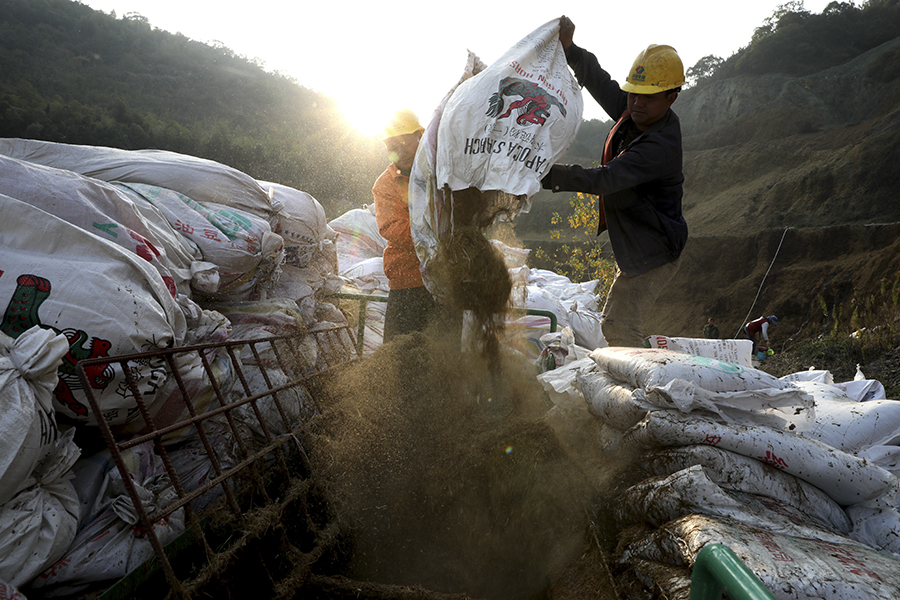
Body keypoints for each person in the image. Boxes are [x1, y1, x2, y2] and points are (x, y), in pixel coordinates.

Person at [542, 16, 688, 348]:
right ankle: (642, 370)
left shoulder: (660, 145)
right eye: (633, 93)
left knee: (619, 327)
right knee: (617, 326)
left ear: (671, 97)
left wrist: (545, 173)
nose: (637, 102)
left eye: (648, 97)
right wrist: (570, 50)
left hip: (654, 252)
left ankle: (646, 378)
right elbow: (601, 82)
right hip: (640, 244)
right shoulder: (637, 112)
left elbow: (606, 179)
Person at [373, 109, 436, 342]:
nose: (398, 151)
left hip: (446, 281)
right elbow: (394, 229)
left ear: (420, 136)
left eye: (403, 143)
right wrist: (439, 237)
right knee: (399, 352)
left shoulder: (441, 174)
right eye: (392, 146)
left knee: (443, 354)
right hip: (408, 283)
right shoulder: (385, 184)